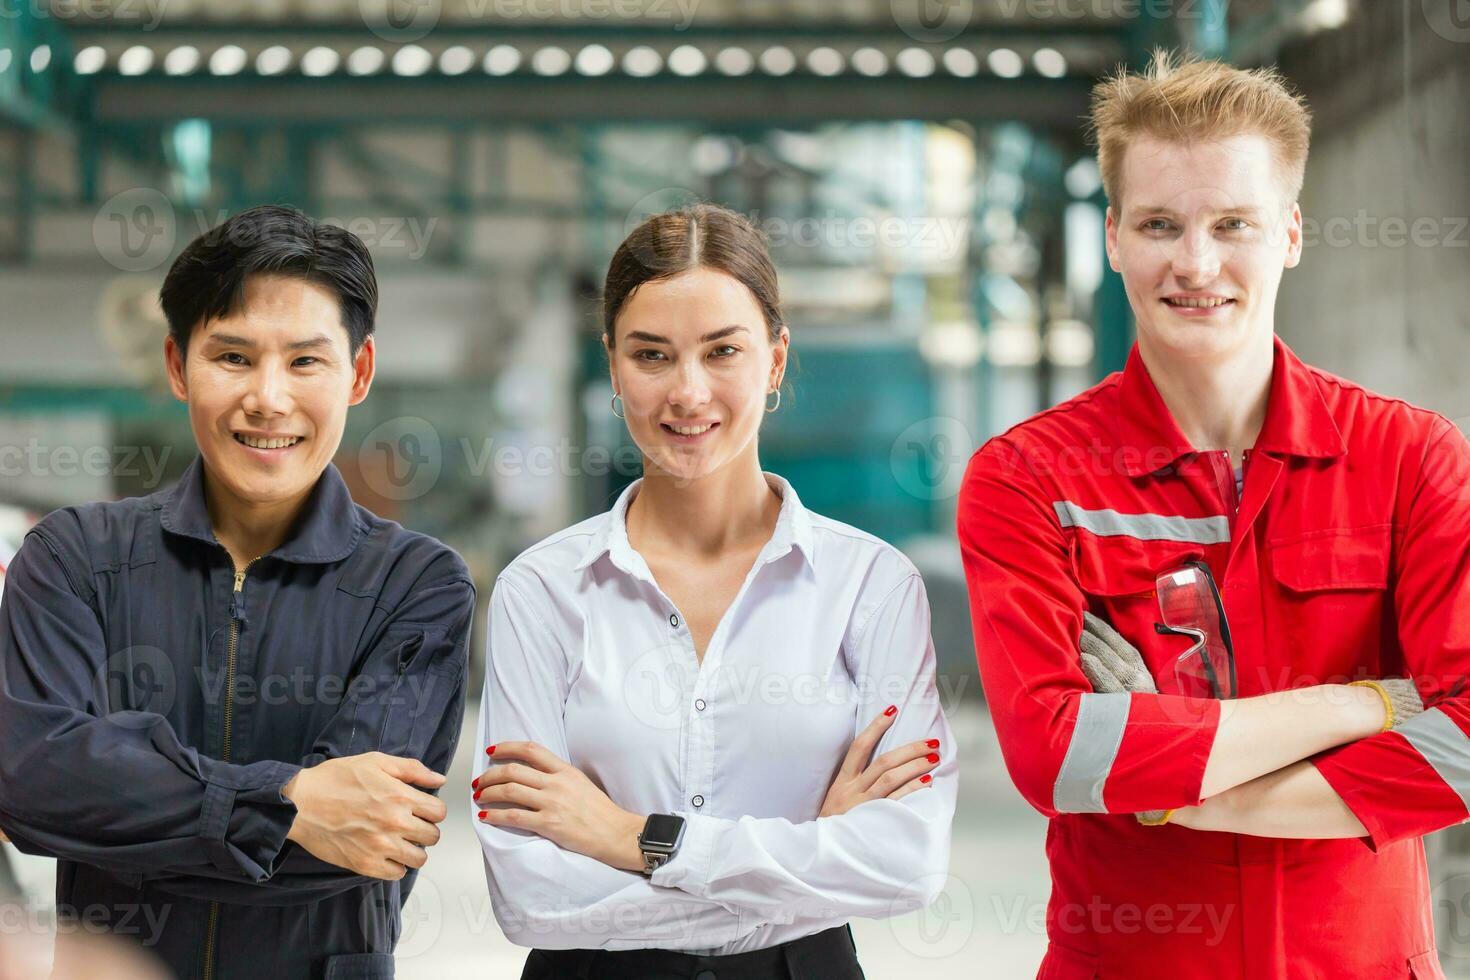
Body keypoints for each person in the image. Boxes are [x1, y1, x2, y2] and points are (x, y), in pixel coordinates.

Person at [959, 53, 1466, 979]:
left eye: (1234, 223)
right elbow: (1056, 759)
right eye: (1160, 223)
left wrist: (1175, 795)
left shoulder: (1408, 460)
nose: (1196, 264)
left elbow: (1468, 746)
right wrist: (1362, 705)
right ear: (1112, 237)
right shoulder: (1030, 480)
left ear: (1292, 233)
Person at [472, 203, 956, 979]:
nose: (688, 393)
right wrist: (808, 861)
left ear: (775, 359)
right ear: (613, 365)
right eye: (652, 355)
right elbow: (530, 894)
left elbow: (906, 862)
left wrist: (634, 837)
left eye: (722, 350)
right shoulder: (543, 591)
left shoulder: (869, 585)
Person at [0, 205, 475, 978]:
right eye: (233, 357)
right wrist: (292, 800)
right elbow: (32, 785)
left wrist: (135, 808)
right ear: (179, 365)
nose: (268, 398)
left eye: (304, 362)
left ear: (357, 374)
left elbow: (361, 842)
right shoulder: (75, 559)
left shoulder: (416, 586)